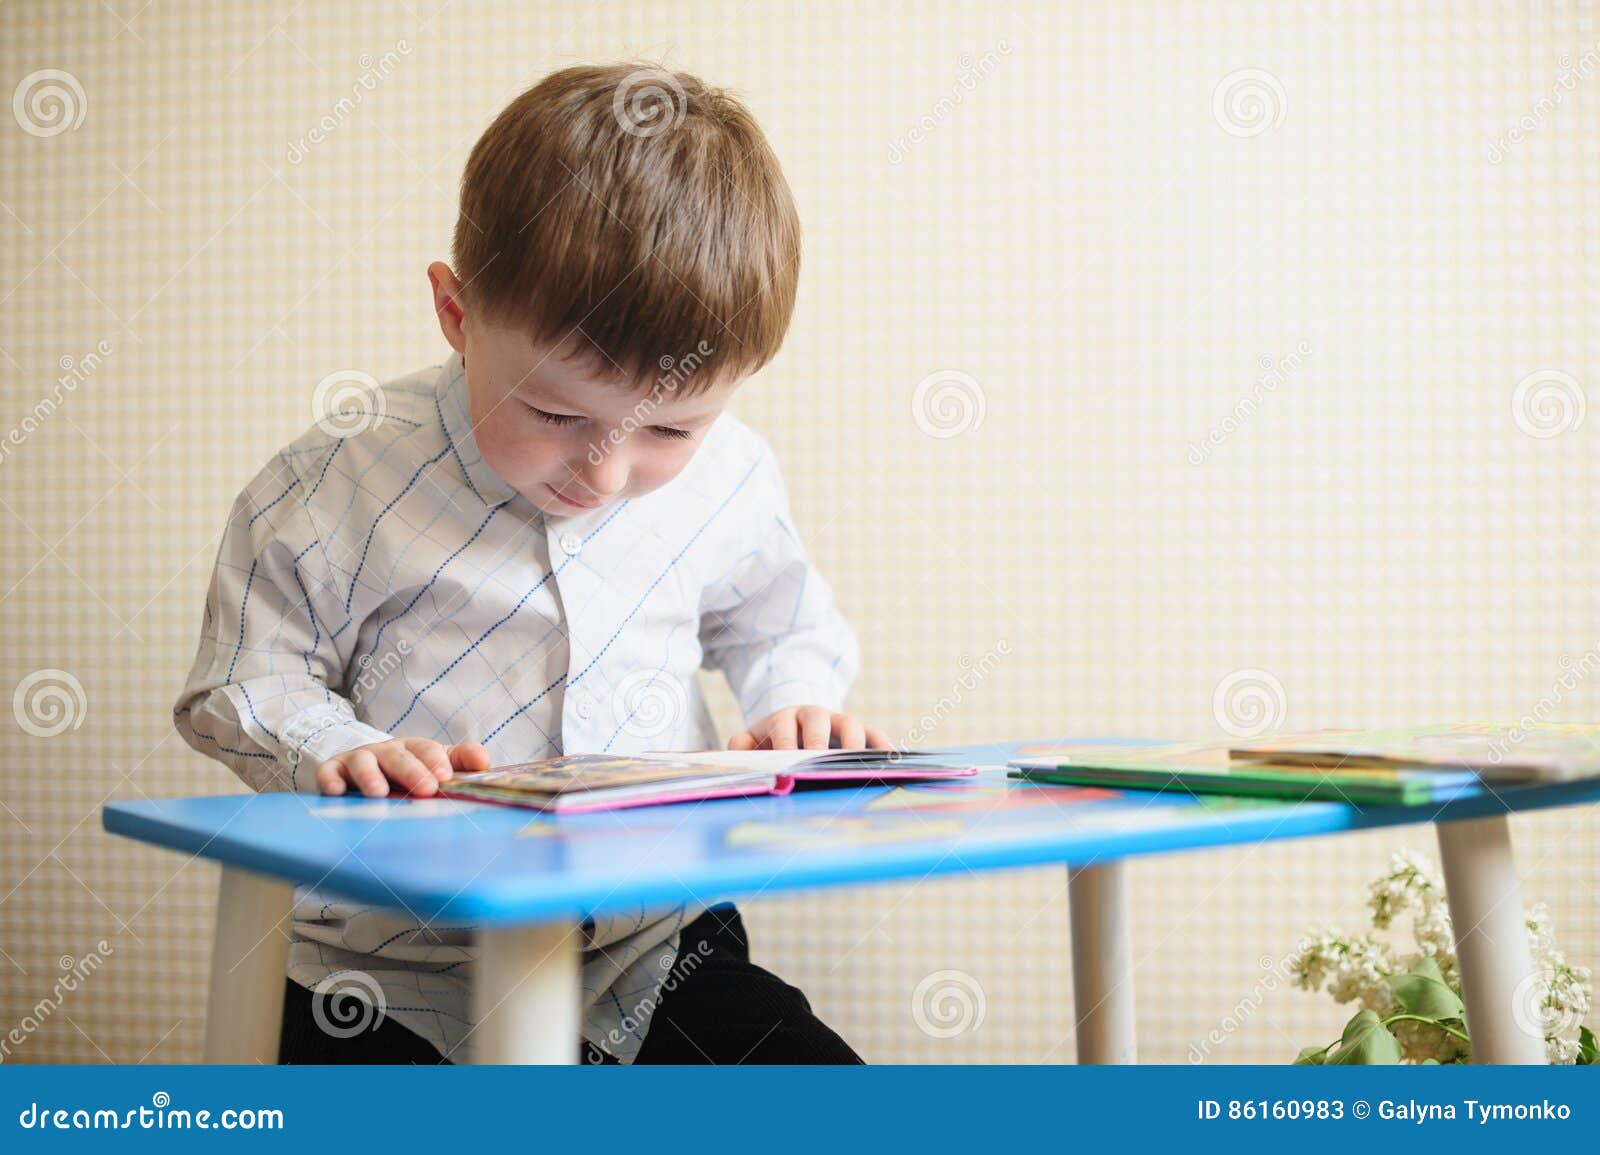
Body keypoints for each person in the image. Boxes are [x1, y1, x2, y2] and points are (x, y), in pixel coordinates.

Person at [174, 62, 888, 1065]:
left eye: (668, 430)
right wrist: (330, 742)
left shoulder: (731, 475)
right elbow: (240, 679)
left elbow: (778, 626)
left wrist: (798, 698)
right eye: (555, 414)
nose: (605, 471)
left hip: (655, 944)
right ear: (457, 316)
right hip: (386, 971)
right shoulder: (336, 480)